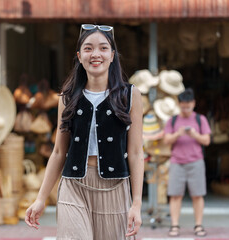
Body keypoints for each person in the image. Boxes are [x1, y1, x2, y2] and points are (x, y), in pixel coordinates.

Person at [25, 24, 144, 240]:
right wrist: (41, 198)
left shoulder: (130, 95)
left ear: (112, 55)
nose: (95, 54)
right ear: (79, 56)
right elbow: (59, 152)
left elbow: (136, 153)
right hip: (74, 187)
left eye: (103, 48)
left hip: (114, 188)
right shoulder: (67, 97)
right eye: (88, 49)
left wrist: (136, 204)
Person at [163, 88, 211, 237]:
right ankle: (175, 226)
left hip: (196, 162)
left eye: (188, 105)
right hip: (177, 162)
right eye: (183, 106)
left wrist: (194, 134)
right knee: (175, 195)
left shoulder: (200, 119)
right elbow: (166, 140)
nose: (186, 108)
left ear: (194, 103)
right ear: (179, 105)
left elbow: (207, 141)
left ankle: (198, 225)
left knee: (198, 195)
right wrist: (178, 133)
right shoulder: (173, 120)